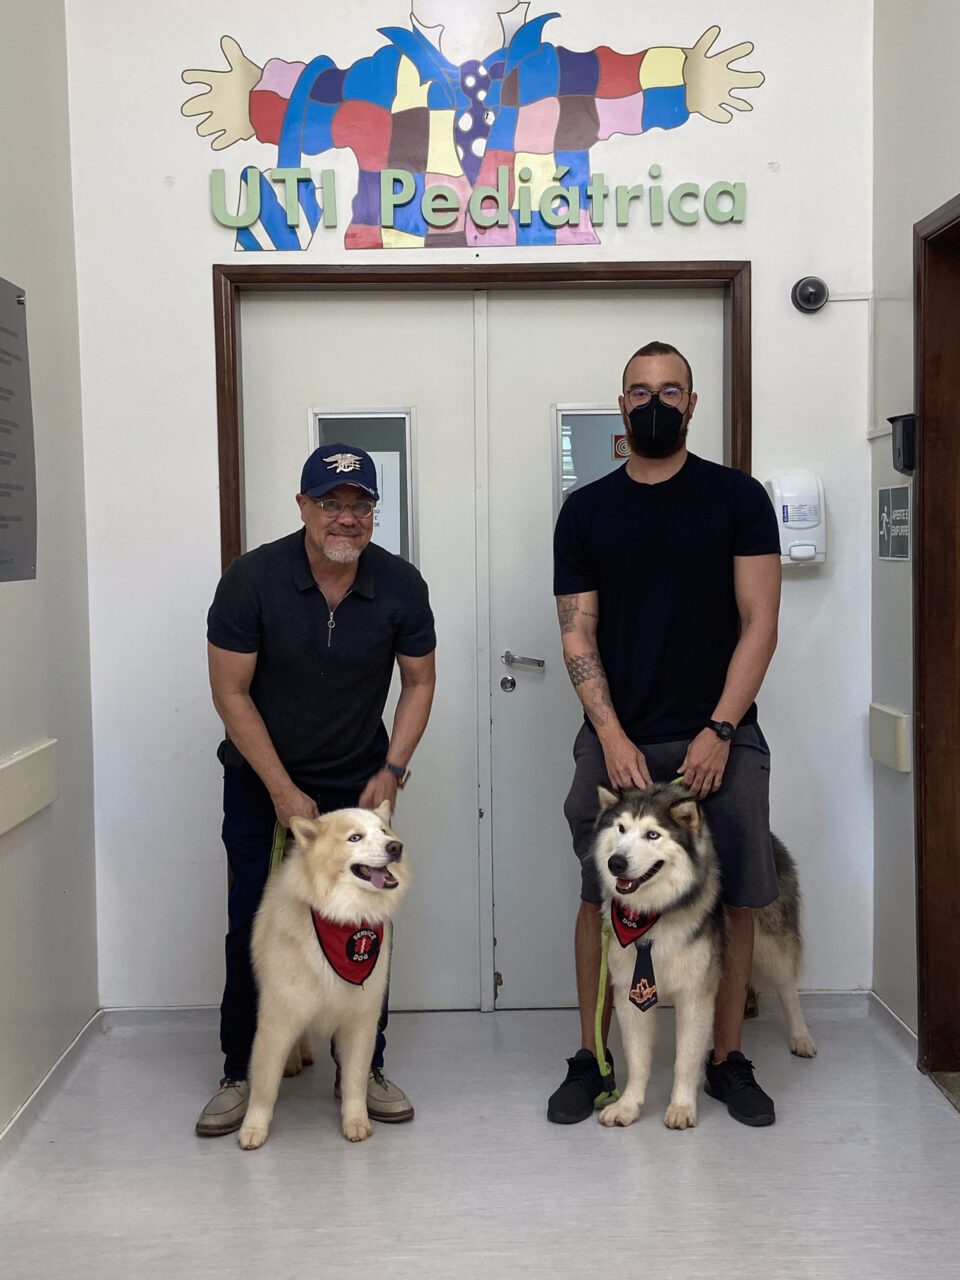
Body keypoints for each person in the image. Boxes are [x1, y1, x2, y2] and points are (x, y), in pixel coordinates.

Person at [548, 341, 783, 1128]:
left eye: (670, 389)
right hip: (621, 734)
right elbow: (578, 635)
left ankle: (725, 1060)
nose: (655, 401)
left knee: (741, 887)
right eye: (639, 390)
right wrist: (610, 734)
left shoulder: (737, 498)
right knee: (599, 890)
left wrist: (720, 729)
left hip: (719, 729)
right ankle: (595, 1056)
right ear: (622, 407)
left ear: (691, 403)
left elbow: (760, 623)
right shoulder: (586, 512)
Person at [196, 443, 436, 1137]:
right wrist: (278, 787)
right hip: (258, 777)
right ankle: (241, 1072)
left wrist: (390, 771)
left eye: (360, 506)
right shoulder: (252, 580)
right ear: (303, 506)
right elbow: (230, 692)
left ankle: (364, 1071)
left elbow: (419, 681)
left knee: (365, 922)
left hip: (355, 781)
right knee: (256, 922)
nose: (346, 519)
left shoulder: (399, 585)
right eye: (330, 504)